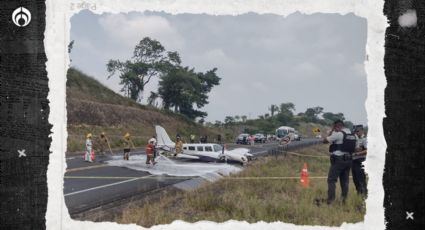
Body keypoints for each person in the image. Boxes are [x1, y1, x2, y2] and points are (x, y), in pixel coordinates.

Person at [323, 120, 353, 204]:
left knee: (331, 180)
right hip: (349, 159)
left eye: (334, 127)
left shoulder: (338, 134)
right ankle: (344, 200)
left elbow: (325, 141)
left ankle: (330, 200)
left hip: (338, 160)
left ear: (337, 126)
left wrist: (332, 130)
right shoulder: (350, 134)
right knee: (345, 181)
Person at [352, 125, 368, 196]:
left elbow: (368, 150)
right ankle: (359, 194)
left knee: (361, 179)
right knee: (355, 179)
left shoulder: (365, 139)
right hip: (354, 161)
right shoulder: (355, 139)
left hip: (361, 160)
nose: (356, 132)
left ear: (362, 131)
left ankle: (364, 194)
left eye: (357, 131)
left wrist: (358, 153)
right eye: (355, 131)